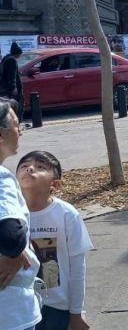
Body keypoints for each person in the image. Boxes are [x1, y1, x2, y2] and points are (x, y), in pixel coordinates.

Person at [16, 151, 94, 330]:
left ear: (55, 184)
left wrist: (77, 311)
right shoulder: (9, 213)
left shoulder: (67, 214)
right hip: (20, 306)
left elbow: (77, 267)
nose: (30, 168)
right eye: (24, 165)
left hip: (57, 307)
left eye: (40, 166)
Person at [0, 98, 42, 329]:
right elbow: (11, 236)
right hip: (10, 308)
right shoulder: (2, 178)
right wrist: (17, 251)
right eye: (17, 126)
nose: (21, 132)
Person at [0, 42, 24, 121]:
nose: (20, 56)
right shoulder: (12, 61)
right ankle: (16, 124)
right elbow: (11, 75)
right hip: (9, 90)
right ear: (17, 53)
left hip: (3, 89)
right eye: (20, 53)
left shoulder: (6, 58)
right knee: (16, 107)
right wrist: (13, 88)